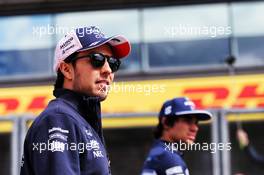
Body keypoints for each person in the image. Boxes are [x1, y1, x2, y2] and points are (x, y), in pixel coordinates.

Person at [20, 26, 131, 175]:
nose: (108, 70)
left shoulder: (79, 120)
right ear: (66, 70)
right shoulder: (59, 118)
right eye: (97, 59)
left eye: (113, 63)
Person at [141, 97, 212, 175]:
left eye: (196, 122)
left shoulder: (161, 152)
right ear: (166, 122)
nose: (195, 128)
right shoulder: (167, 157)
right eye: (188, 121)